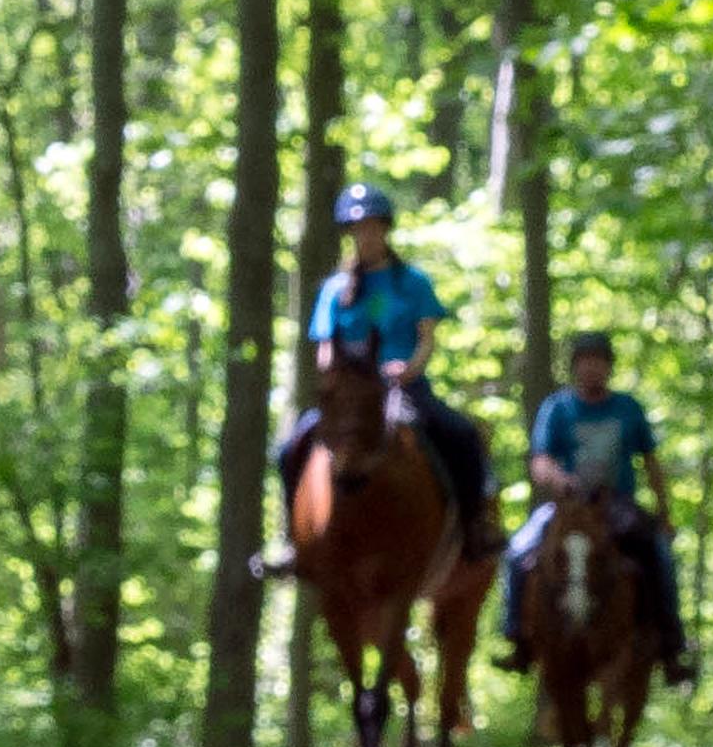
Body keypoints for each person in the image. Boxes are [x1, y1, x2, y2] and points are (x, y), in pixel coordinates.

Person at [263, 189, 488, 563]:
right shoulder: (334, 290)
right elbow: (324, 348)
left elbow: (426, 338)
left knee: (463, 436)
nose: (365, 235)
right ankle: (293, 540)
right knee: (290, 448)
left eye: (372, 227)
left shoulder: (413, 282)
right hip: (352, 394)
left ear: (385, 229)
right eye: (358, 228)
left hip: (405, 387)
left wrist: (409, 367)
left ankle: (472, 530)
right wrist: (340, 374)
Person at [504, 328, 690, 681]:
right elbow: (540, 460)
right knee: (517, 550)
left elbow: (651, 462)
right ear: (574, 367)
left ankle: (671, 644)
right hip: (568, 507)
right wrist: (561, 480)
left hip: (617, 506)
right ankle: (517, 637)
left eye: (599, 362)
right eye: (586, 362)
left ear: (609, 368)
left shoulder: (628, 408)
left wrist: (664, 512)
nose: (592, 369)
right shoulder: (557, 408)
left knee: (658, 552)